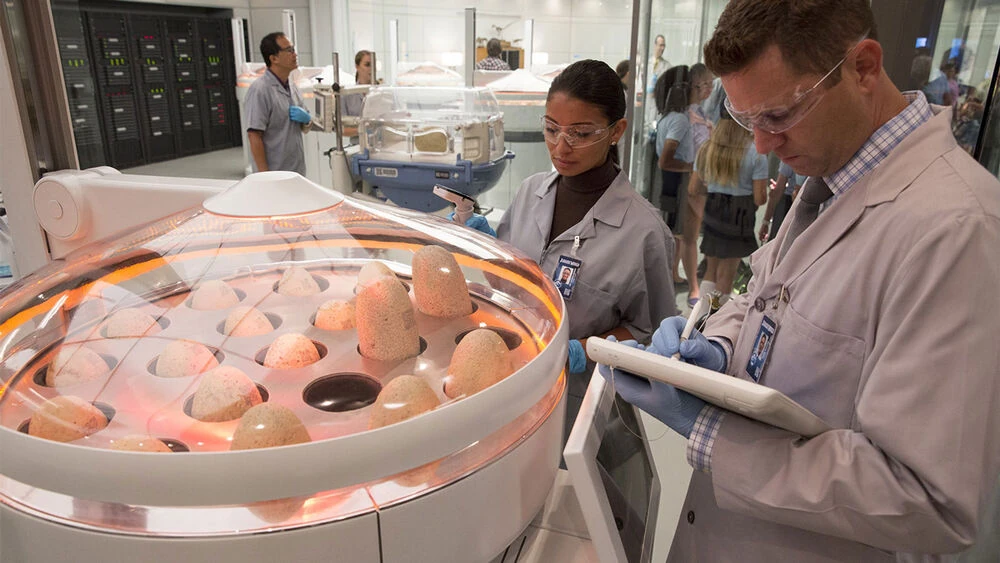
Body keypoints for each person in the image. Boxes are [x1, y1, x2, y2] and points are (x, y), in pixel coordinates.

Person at [602, 0, 1000, 560]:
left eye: (779, 115)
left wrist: (715, 435)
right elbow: (767, 297)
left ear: (863, 67)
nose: (763, 145)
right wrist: (719, 344)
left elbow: (928, 500)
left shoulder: (959, 232)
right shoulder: (835, 175)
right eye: (747, 120)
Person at [496, 59, 677, 436]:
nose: (560, 146)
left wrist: (582, 349)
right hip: (512, 381)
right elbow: (506, 283)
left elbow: (652, 335)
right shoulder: (530, 192)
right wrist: (485, 250)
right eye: (551, 128)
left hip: (583, 402)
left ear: (616, 131)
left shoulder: (643, 232)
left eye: (580, 133)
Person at [689, 106, 768, 305]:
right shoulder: (755, 152)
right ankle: (716, 317)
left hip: (713, 207)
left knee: (711, 268)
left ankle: (701, 313)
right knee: (728, 272)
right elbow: (760, 198)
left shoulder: (707, 148)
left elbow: (693, 188)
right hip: (741, 212)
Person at [244, 32, 311, 175]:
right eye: (289, 50)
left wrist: (307, 120)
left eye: (293, 49)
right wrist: (265, 175)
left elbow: (305, 124)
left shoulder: (292, 86)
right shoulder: (260, 90)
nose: (295, 54)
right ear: (274, 58)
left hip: (296, 169)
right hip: (274, 172)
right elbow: (254, 135)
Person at [653, 66, 694, 289]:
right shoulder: (679, 120)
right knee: (676, 230)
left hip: (669, 180)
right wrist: (690, 166)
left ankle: (670, 273)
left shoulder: (666, 118)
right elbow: (665, 159)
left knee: (671, 228)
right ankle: (672, 275)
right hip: (675, 180)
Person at [679, 63, 716, 305]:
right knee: (689, 235)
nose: (711, 89)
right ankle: (694, 287)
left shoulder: (699, 113)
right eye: (708, 84)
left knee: (687, 234)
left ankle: (687, 280)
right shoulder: (690, 116)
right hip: (694, 179)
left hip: (701, 178)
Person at [759, 159, 804, 242]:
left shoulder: (791, 156)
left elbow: (778, 191)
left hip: (788, 204)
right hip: (808, 205)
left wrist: (765, 222)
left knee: (777, 241)